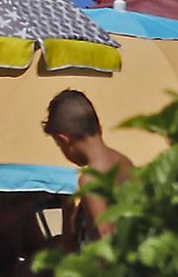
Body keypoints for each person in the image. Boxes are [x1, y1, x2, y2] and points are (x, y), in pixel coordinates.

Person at [42, 90, 134, 248]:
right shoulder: (124, 161)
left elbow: (103, 236)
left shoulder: (91, 179)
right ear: (99, 127)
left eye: (59, 145)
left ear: (64, 140)